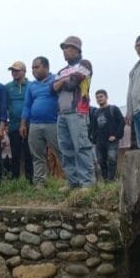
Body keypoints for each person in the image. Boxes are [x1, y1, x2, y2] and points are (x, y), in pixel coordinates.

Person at [53, 36, 95, 189]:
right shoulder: (61, 70)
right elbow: (52, 88)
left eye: (68, 48)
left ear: (77, 49)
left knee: (81, 147)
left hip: (78, 111)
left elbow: (72, 83)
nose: (65, 51)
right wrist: (64, 80)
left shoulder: (85, 64)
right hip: (62, 113)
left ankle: (87, 183)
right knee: (66, 149)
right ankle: (73, 182)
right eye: (64, 48)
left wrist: (63, 81)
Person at [21, 56, 61, 188]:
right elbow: (27, 105)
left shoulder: (56, 80)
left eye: (36, 67)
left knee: (61, 152)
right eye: (32, 68)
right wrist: (23, 124)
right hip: (34, 125)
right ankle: (39, 183)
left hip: (53, 123)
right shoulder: (32, 86)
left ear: (46, 67)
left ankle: (73, 181)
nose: (33, 70)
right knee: (37, 155)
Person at [6, 61, 33, 182]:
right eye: (13, 70)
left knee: (29, 153)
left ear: (24, 71)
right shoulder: (7, 87)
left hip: (30, 125)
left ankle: (30, 179)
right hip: (13, 125)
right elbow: (5, 106)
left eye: (17, 70)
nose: (14, 73)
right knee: (15, 153)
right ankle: (15, 179)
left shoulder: (31, 85)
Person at [89, 90, 124, 181]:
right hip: (100, 142)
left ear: (106, 97)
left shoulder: (113, 109)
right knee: (101, 161)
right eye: (97, 97)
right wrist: (94, 140)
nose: (99, 99)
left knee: (112, 158)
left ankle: (111, 179)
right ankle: (105, 179)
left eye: (101, 96)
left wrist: (116, 136)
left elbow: (121, 122)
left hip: (112, 140)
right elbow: (93, 127)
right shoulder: (96, 113)